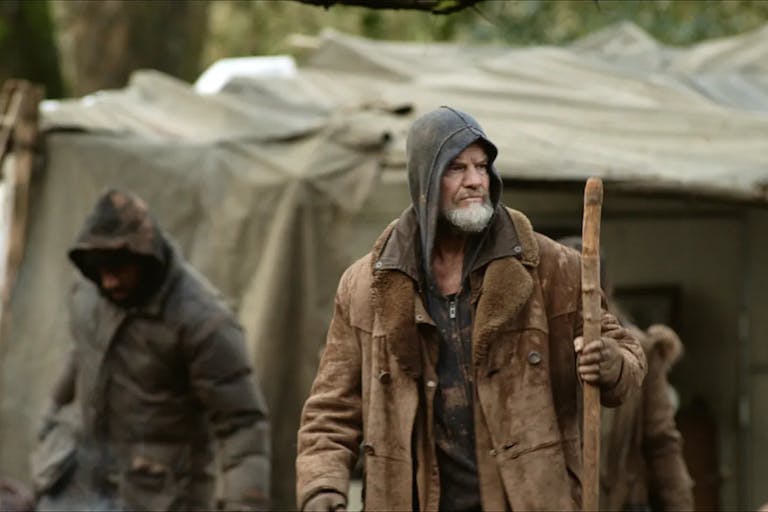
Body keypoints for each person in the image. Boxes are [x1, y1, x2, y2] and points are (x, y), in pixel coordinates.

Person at [296, 106, 647, 511]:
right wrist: (321, 489)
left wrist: (609, 363)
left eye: (482, 166)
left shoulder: (551, 268)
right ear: (425, 180)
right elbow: (331, 410)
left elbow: (629, 356)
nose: (475, 181)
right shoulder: (365, 285)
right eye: (457, 168)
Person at [39, 189, 270, 511]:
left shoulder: (203, 321)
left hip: (163, 496)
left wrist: (245, 505)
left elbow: (241, 424)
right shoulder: (87, 293)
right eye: (100, 270)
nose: (110, 282)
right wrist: (50, 421)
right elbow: (81, 354)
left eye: (120, 268)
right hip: (82, 482)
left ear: (146, 258)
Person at [558, 236, 694, 512]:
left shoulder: (640, 350)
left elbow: (661, 443)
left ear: (606, 288)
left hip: (622, 501)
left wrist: (679, 505)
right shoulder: (538, 348)